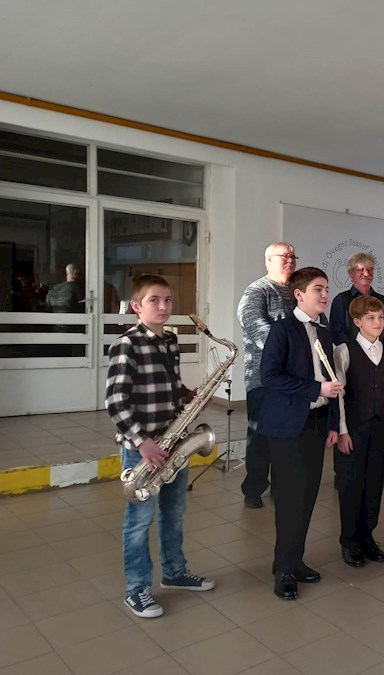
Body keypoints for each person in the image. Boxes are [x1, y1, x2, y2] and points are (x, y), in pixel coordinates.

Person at [106, 274, 215, 619]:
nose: (164, 306)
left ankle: (174, 572)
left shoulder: (170, 340)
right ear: (137, 306)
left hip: (173, 442)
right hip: (144, 449)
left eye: (168, 300)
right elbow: (116, 402)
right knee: (139, 522)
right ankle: (136, 589)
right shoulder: (126, 345)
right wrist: (143, 443)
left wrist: (188, 396)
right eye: (154, 300)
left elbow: (170, 385)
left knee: (174, 512)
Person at [257, 267, 344, 600]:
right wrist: (315, 388)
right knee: (289, 499)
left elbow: (331, 379)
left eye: (326, 289)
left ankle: (295, 559)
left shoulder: (323, 331)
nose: (325, 295)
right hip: (287, 427)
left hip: (317, 423)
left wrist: (333, 424)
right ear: (299, 294)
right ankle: (283, 568)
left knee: (307, 496)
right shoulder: (282, 330)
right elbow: (270, 376)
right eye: (318, 289)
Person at [332, 295, 384, 568]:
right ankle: (349, 541)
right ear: (357, 321)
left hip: (377, 426)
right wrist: (342, 431)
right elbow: (338, 395)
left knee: (373, 483)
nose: (378, 322)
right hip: (352, 428)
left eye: (381, 317)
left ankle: (367, 535)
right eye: (371, 318)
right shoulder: (344, 351)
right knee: (351, 484)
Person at [237, 242, 297, 509]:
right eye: (284, 256)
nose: (290, 260)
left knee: (287, 438)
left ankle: (281, 485)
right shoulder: (257, 291)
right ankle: (254, 489)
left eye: (293, 256)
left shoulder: (297, 291)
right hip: (263, 379)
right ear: (268, 260)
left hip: (294, 379)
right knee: (260, 438)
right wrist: (295, 351)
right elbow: (258, 330)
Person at [329, 252, 384, 349]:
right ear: (351, 273)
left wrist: (382, 352)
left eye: (370, 270)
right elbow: (337, 333)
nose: (366, 274)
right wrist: (357, 352)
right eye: (361, 270)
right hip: (351, 355)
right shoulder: (341, 300)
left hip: (381, 354)